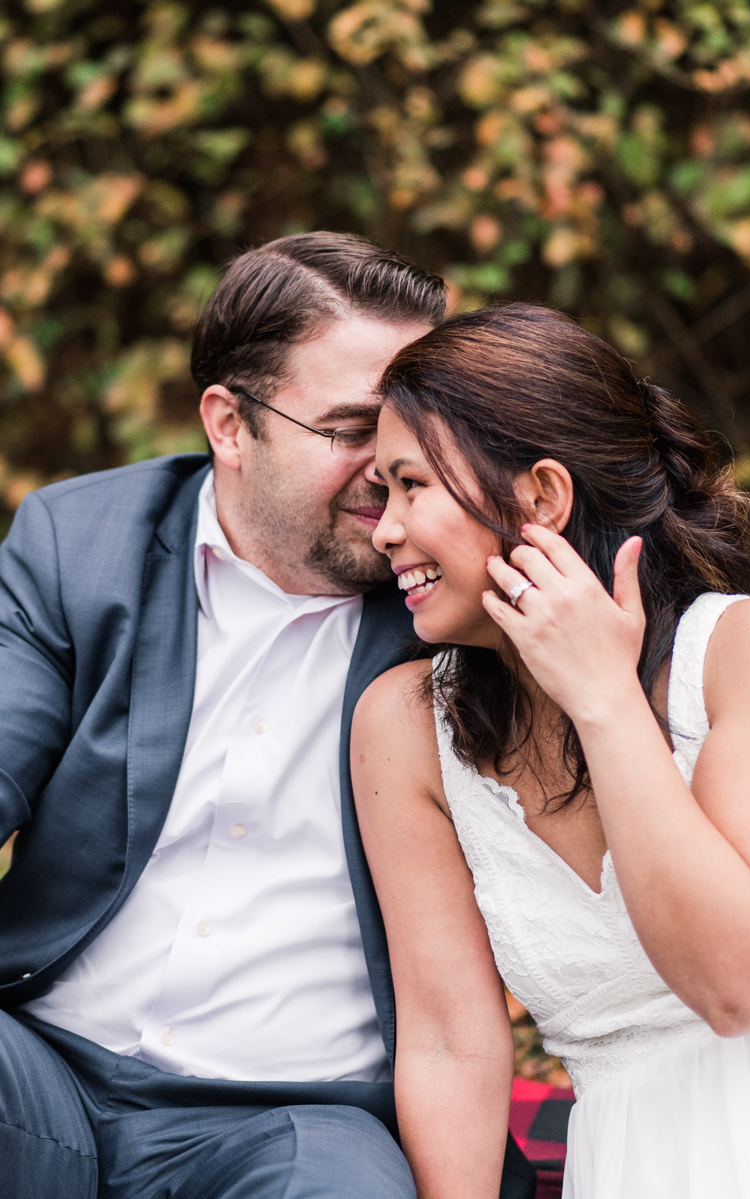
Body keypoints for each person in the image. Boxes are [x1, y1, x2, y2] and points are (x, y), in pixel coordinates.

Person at [0, 232, 536, 1199]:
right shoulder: (80, 544)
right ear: (231, 425)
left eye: (419, 431)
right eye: (351, 428)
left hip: (303, 1120)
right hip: (42, 1069)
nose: (393, 467)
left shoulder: (462, 605)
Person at [352, 302, 750, 1199]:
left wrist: (602, 698)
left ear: (542, 497)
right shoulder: (403, 727)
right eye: (382, 492)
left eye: (412, 485)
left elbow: (739, 988)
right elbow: (449, 1043)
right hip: (629, 1163)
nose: (384, 530)